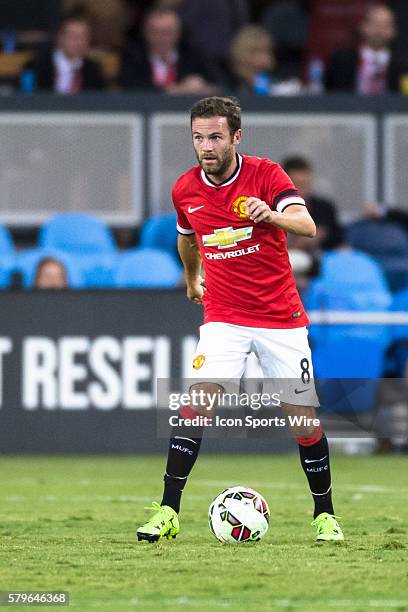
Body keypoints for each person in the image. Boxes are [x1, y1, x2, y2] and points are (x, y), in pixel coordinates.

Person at [137, 96, 344, 543]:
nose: (206, 146)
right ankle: (167, 511)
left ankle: (325, 515)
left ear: (236, 136)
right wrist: (193, 280)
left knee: (302, 421)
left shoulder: (266, 175)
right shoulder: (185, 190)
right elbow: (187, 240)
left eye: (215, 136)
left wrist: (270, 214)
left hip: (280, 316)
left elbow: (305, 225)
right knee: (195, 405)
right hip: (224, 317)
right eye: (198, 137)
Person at [119, 7, 216, 94]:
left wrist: (204, 88)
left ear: (179, 33)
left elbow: (221, 85)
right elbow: (129, 88)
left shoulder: (195, 55)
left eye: (167, 32)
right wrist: (177, 90)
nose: (161, 38)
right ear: (145, 32)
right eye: (155, 32)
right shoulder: (132, 56)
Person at [324, 3, 405, 94]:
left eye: (385, 25)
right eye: (374, 24)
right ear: (363, 26)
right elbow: (329, 95)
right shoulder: (341, 60)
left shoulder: (404, 65)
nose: (379, 30)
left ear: (394, 31)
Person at [22, 10, 106, 93]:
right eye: (73, 36)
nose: (78, 42)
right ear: (60, 38)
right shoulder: (36, 66)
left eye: (83, 37)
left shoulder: (94, 70)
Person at [282, 156, 344, 252]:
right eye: (298, 184)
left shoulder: (324, 207)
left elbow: (338, 241)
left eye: (306, 183)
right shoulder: (274, 208)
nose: (303, 190)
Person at [228, 25, 302, 95]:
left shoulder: (277, 84)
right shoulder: (230, 85)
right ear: (241, 54)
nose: (263, 57)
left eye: (266, 51)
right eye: (255, 52)